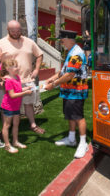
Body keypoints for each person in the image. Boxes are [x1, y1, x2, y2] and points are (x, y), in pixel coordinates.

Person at [0, 20, 45, 134]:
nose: (16, 33)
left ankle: (33, 125)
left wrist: (36, 69)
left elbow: (40, 54)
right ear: (8, 30)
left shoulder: (29, 42)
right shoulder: (0, 44)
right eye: (13, 31)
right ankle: (5, 129)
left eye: (18, 30)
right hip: (9, 82)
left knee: (28, 104)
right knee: (6, 107)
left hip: (27, 80)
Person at [45, 30, 89, 159]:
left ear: (70, 39)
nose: (61, 42)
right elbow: (64, 70)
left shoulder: (77, 53)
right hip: (69, 91)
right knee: (70, 115)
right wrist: (51, 78)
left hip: (76, 91)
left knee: (78, 117)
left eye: (62, 40)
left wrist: (53, 85)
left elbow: (70, 75)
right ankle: (71, 138)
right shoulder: (71, 51)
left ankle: (83, 143)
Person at [0, 58, 33, 153]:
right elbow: (12, 95)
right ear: (7, 68)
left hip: (16, 106)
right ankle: (7, 145)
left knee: (16, 124)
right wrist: (26, 92)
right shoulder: (8, 80)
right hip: (8, 107)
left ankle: (15, 141)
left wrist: (26, 88)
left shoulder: (17, 77)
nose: (17, 68)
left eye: (17, 65)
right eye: (14, 66)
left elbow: (18, 90)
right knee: (7, 125)